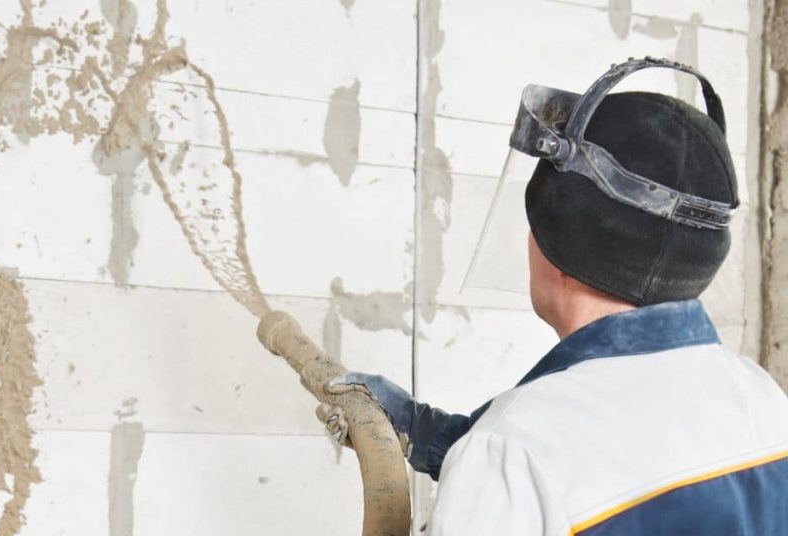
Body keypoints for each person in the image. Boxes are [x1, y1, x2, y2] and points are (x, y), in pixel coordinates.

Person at [318, 58, 788, 535]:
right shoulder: (763, 403)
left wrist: (477, 461)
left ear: (562, 240)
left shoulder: (512, 450)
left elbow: (540, 467)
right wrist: (427, 433)